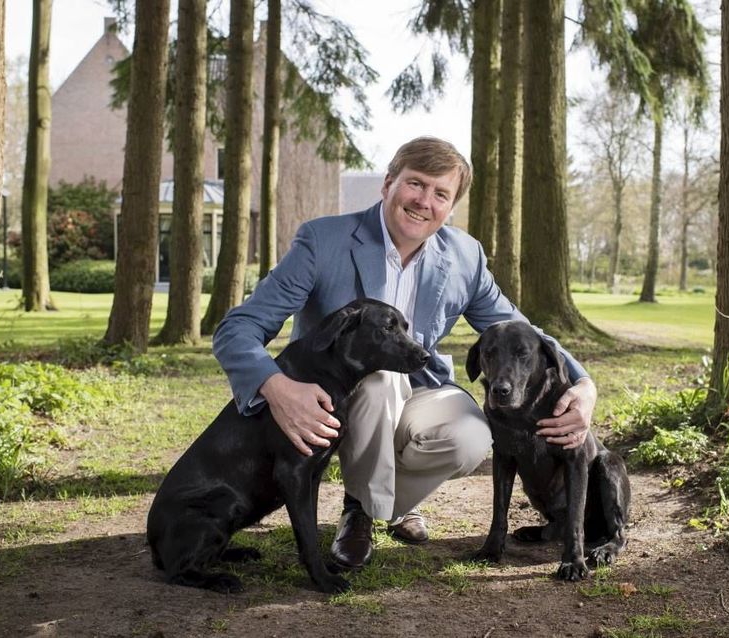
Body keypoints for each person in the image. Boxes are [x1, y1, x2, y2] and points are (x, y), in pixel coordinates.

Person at [213, 136, 597, 570]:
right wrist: (277, 387)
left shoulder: (465, 257)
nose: (424, 201)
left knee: (472, 435)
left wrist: (584, 385)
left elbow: (525, 331)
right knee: (380, 379)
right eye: (416, 184)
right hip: (337, 400)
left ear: (450, 207)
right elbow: (237, 328)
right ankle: (360, 510)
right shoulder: (324, 241)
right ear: (388, 184)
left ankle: (382, 505)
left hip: (419, 390)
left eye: (441, 194)